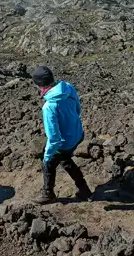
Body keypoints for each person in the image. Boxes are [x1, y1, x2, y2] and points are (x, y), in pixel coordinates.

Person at [32, 66, 93, 204]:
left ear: (39, 85)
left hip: (64, 141)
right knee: (65, 159)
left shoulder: (49, 107)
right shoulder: (68, 87)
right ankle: (84, 190)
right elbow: (77, 109)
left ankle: (48, 194)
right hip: (77, 133)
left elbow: (54, 138)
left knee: (49, 163)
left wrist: (47, 156)